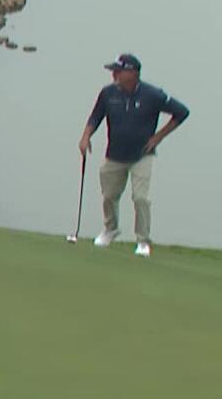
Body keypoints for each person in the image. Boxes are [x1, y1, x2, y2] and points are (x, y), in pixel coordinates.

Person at [77, 54, 190, 257]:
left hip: (142, 155)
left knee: (140, 198)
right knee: (109, 195)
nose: (114, 74)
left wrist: (158, 137)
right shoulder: (108, 93)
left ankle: (143, 240)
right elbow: (96, 116)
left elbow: (181, 112)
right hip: (114, 154)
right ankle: (110, 229)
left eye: (118, 71)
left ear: (132, 74)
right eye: (114, 71)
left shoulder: (152, 94)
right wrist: (85, 137)